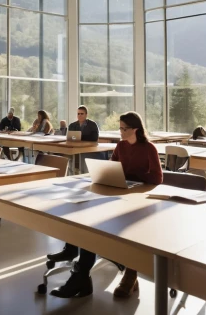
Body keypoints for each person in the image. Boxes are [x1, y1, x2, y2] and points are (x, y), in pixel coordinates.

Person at [50, 111, 163, 299]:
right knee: (89, 220)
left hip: (140, 198)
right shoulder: (120, 146)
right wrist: (112, 175)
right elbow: (112, 167)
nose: (120, 131)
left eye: (124, 128)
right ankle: (81, 273)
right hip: (120, 192)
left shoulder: (149, 148)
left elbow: (158, 178)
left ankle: (129, 272)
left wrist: (133, 176)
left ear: (135, 129)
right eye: (119, 127)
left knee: (125, 230)